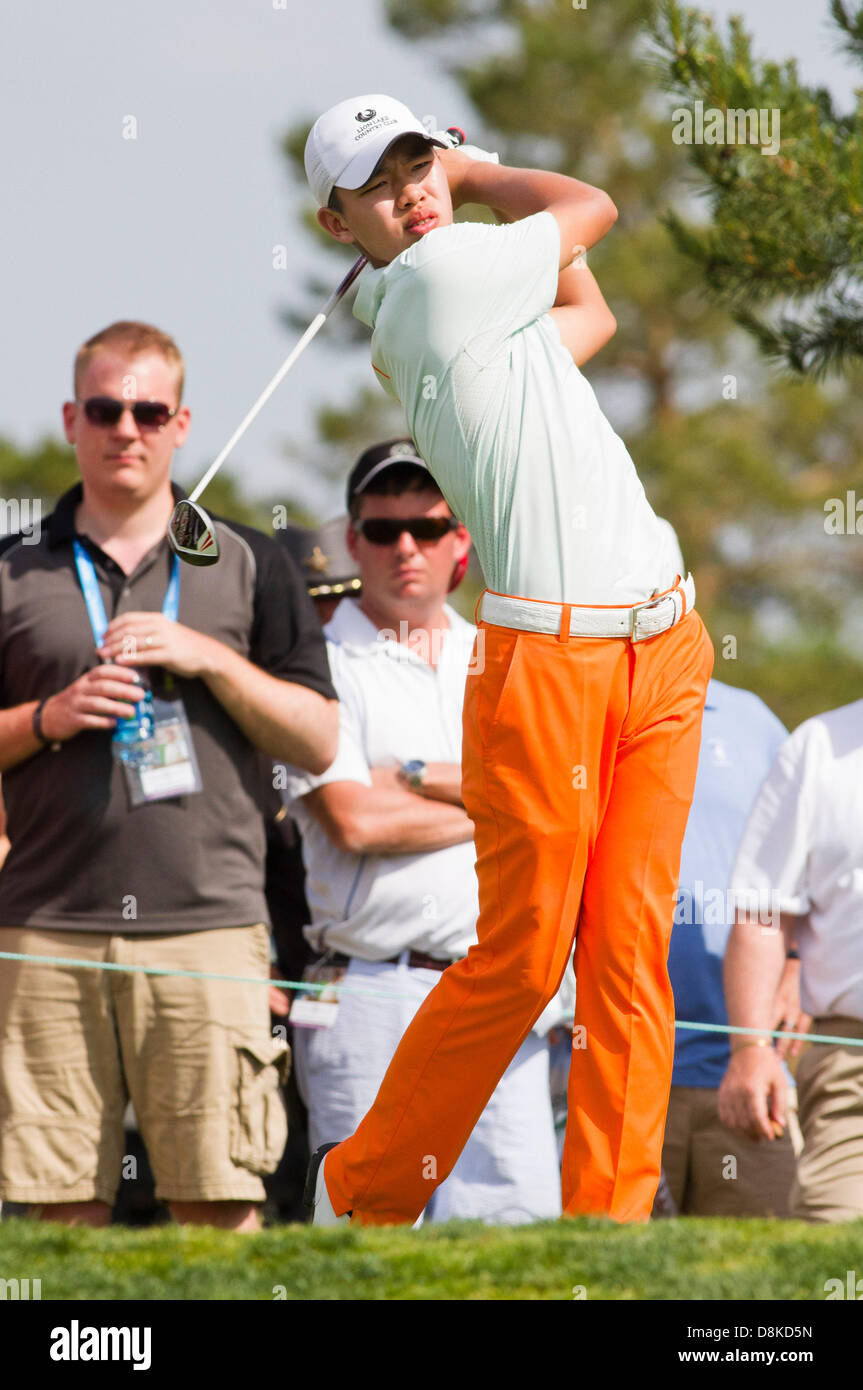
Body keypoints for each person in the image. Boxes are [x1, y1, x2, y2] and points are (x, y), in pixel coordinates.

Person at [302, 95, 714, 1226]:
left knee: (628, 952)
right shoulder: (436, 284)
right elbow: (592, 207)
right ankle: (367, 1188)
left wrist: (458, 181)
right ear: (339, 224)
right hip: (547, 664)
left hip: (662, 649)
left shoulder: (474, 304)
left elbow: (589, 315)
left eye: (416, 165)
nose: (411, 192)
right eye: (379, 185)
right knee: (527, 961)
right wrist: (476, 171)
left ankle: (611, 1228)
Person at [0, 320, 338, 1231]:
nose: (127, 430)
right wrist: (46, 719)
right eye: (106, 409)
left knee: (218, 1207)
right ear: (72, 418)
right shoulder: (13, 569)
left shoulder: (248, 562)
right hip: (44, 934)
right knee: (54, 1213)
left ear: (182, 424)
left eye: (149, 411)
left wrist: (212, 660)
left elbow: (318, 741)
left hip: (211, 932)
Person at [284, 440, 563, 1224]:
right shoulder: (319, 661)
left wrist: (406, 773)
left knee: (516, 1252)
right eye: (383, 530)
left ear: (460, 543)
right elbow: (355, 819)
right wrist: (493, 802)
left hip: (502, 990)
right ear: (351, 541)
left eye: (429, 527)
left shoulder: (502, 655)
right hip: (374, 986)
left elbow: (555, 807)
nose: (406, 547)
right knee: (368, 1250)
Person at [719, 697, 863, 1223]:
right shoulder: (817, 747)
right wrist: (752, 1048)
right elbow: (762, 914)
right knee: (833, 1250)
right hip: (853, 1068)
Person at [660, 674, 800, 1216]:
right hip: (614, 1068)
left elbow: (813, 858)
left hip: (748, 1069)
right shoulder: (587, 708)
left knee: (766, 1270)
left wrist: (797, 967)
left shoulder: (751, 719)